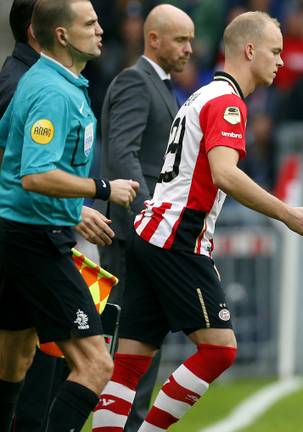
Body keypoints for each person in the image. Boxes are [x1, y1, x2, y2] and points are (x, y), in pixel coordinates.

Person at [91, 11, 303, 431]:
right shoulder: (228, 103)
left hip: (150, 232)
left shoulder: (199, 96)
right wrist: (288, 214)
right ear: (249, 50)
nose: (281, 60)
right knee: (219, 350)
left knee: (129, 363)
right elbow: (224, 174)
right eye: (276, 51)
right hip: (178, 236)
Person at [0, 0, 140, 431]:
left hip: (24, 233)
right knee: (96, 365)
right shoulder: (50, 92)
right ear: (61, 35)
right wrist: (102, 190)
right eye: (90, 23)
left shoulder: (58, 82)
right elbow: (36, 176)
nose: (102, 30)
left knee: (15, 361)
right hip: (35, 239)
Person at [95, 4, 194, 430]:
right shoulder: (136, 81)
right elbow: (122, 156)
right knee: (126, 347)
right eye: (180, 40)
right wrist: (149, 219)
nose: (190, 48)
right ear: (153, 39)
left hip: (142, 233)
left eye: (191, 39)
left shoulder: (161, 86)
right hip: (133, 235)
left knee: (141, 345)